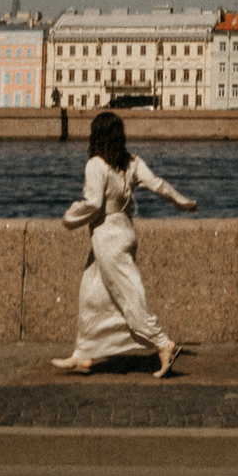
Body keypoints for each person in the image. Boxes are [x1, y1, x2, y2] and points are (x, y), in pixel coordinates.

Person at [48, 110, 198, 377]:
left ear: (96, 135)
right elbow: (158, 184)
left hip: (106, 237)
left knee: (129, 294)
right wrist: (182, 202)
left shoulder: (96, 164)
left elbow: (94, 204)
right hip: (125, 232)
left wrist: (70, 217)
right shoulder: (131, 162)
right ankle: (83, 354)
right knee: (92, 294)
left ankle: (163, 343)